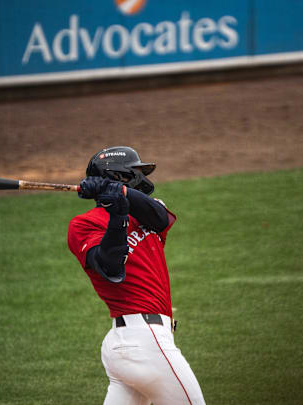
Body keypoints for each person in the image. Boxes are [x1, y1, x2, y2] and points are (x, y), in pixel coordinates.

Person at [67, 146, 206, 404]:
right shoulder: (82, 225)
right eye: (137, 172)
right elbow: (110, 267)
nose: (143, 177)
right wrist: (117, 215)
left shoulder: (148, 212)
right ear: (120, 175)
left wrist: (119, 195)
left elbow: (161, 217)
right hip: (142, 341)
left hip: (134, 345)